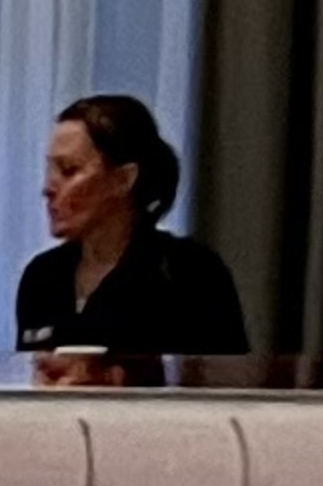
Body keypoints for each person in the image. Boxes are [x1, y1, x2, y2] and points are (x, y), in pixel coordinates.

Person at [14, 93, 251, 386]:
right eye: (50, 170)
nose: (48, 188)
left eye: (69, 170)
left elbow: (227, 392)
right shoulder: (41, 277)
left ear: (123, 179)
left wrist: (115, 378)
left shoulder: (189, 271)